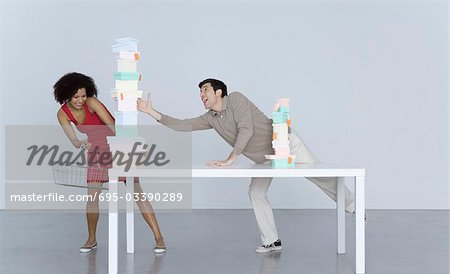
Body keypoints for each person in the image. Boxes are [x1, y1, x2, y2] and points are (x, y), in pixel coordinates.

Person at [137, 78, 354, 253]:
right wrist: (151, 112)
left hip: (285, 144)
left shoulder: (237, 99)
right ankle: (272, 241)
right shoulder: (211, 118)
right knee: (256, 192)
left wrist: (230, 159)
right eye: (200, 92)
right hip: (264, 158)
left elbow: (246, 129)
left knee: (319, 175)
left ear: (219, 92)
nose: (201, 95)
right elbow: (183, 125)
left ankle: (354, 207)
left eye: (205, 90)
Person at [54, 72, 166, 253]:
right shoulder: (62, 114)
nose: (80, 100)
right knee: (92, 197)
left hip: (117, 144)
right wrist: (80, 143)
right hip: (96, 151)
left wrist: (131, 146)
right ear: (66, 95)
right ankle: (91, 239)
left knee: (136, 192)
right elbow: (74, 141)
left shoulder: (92, 103)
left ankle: (159, 237)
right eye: (76, 97)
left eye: (83, 95)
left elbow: (114, 127)